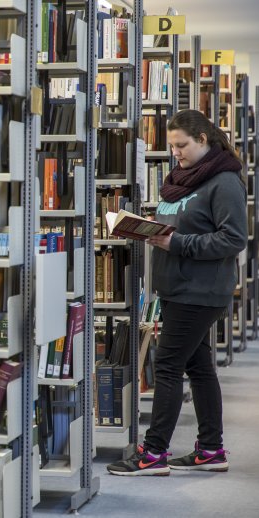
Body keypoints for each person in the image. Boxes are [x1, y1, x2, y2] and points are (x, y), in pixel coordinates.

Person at [107, 109, 247, 476]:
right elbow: (182, 224)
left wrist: (177, 243)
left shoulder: (224, 182)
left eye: (181, 145)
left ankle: (153, 454)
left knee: (167, 367)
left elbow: (232, 239)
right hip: (176, 287)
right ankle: (211, 450)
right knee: (199, 368)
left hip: (199, 290)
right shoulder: (181, 179)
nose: (175, 154)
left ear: (202, 139)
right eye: (171, 147)